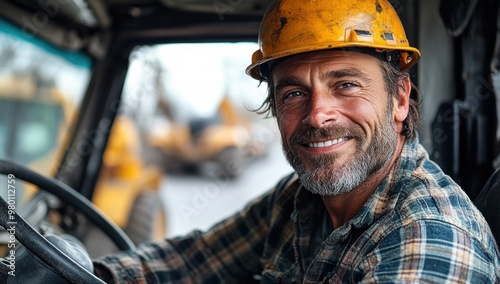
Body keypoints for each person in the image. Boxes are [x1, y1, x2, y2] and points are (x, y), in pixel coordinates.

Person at [93, 0, 500, 282]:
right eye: (293, 94)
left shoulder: (430, 237)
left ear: (398, 98)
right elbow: (193, 261)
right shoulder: (298, 199)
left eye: (346, 85)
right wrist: (89, 272)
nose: (317, 114)